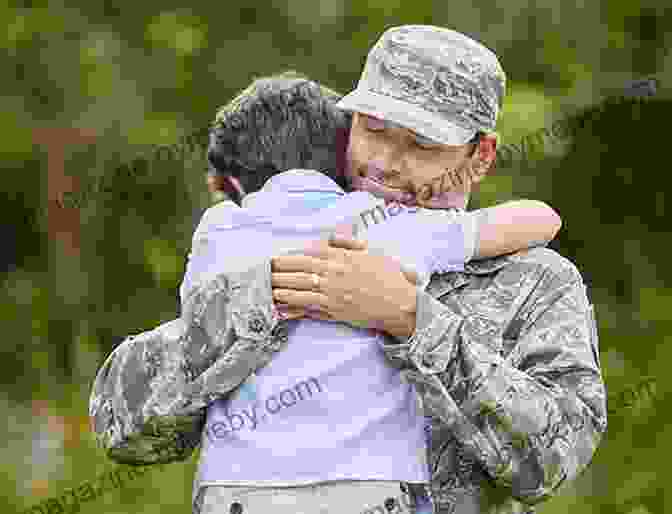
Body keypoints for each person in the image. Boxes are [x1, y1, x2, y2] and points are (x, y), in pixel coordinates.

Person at [89, 26, 607, 514]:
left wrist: (411, 321)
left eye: (422, 146)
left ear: (481, 155)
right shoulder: (266, 243)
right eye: (374, 130)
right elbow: (122, 424)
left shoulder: (534, 280)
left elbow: (553, 460)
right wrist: (261, 302)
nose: (385, 162)